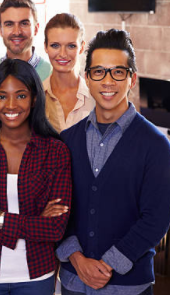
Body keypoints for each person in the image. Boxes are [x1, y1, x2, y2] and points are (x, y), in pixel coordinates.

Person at [56, 29, 170, 295]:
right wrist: (76, 258)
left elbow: (157, 218)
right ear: (87, 78)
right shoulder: (66, 140)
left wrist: (109, 264)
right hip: (74, 281)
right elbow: (58, 208)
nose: (108, 81)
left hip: (129, 286)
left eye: (118, 72)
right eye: (99, 72)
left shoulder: (156, 145)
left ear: (132, 79)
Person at [0, 59, 72, 295]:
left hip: (38, 275)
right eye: (1, 96)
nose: (11, 105)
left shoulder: (55, 151)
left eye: (20, 95)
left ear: (34, 98)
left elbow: (55, 229)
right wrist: (32, 224)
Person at [0, 0, 52, 97]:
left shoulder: (52, 74)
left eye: (24, 23)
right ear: (0, 30)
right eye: (9, 24)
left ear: (36, 29)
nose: (17, 32)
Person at [43, 13, 95, 133]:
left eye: (71, 46)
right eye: (55, 45)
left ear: (81, 48)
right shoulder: (36, 96)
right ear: (45, 47)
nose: (62, 54)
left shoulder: (95, 96)